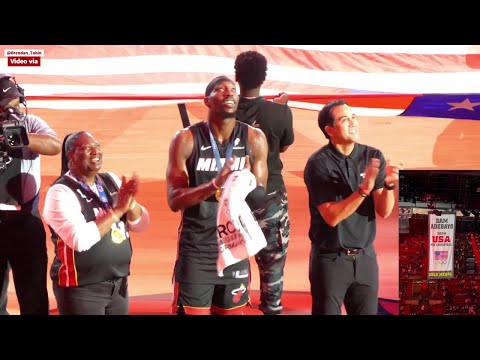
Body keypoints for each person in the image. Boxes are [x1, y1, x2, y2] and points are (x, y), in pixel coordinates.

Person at [166, 75, 268, 315]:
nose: (229, 92)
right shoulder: (186, 139)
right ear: (206, 101)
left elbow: (260, 196)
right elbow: (174, 200)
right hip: (197, 250)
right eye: (220, 89)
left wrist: (236, 187)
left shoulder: (254, 138)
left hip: (235, 246)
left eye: (233, 89)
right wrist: (214, 184)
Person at [304, 99, 401, 315]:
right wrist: (362, 191)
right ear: (329, 130)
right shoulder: (318, 163)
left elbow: (384, 211)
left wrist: (389, 185)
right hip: (331, 261)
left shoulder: (373, 156)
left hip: (366, 259)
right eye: (344, 119)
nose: (353, 123)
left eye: (353, 117)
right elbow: (331, 216)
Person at [42, 131, 150, 315]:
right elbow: (79, 240)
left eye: (97, 146)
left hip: (118, 284)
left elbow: (141, 224)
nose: (96, 152)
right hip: (82, 289)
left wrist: (130, 204)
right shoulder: (60, 192)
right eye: (87, 148)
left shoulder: (111, 181)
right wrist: (117, 211)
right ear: (71, 155)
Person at [234, 50, 294, 315]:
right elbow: (284, 146)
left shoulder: (223, 109)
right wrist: (280, 109)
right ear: (264, 77)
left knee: (229, 261)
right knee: (273, 264)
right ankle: (271, 308)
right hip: (269, 201)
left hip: (230, 200)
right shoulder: (280, 112)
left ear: (236, 77)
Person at [0, 74, 61, 315]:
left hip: (26, 221)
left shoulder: (31, 122)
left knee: (33, 296)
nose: (11, 111)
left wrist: (21, 137)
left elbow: (55, 145)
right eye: (5, 106)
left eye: (15, 103)